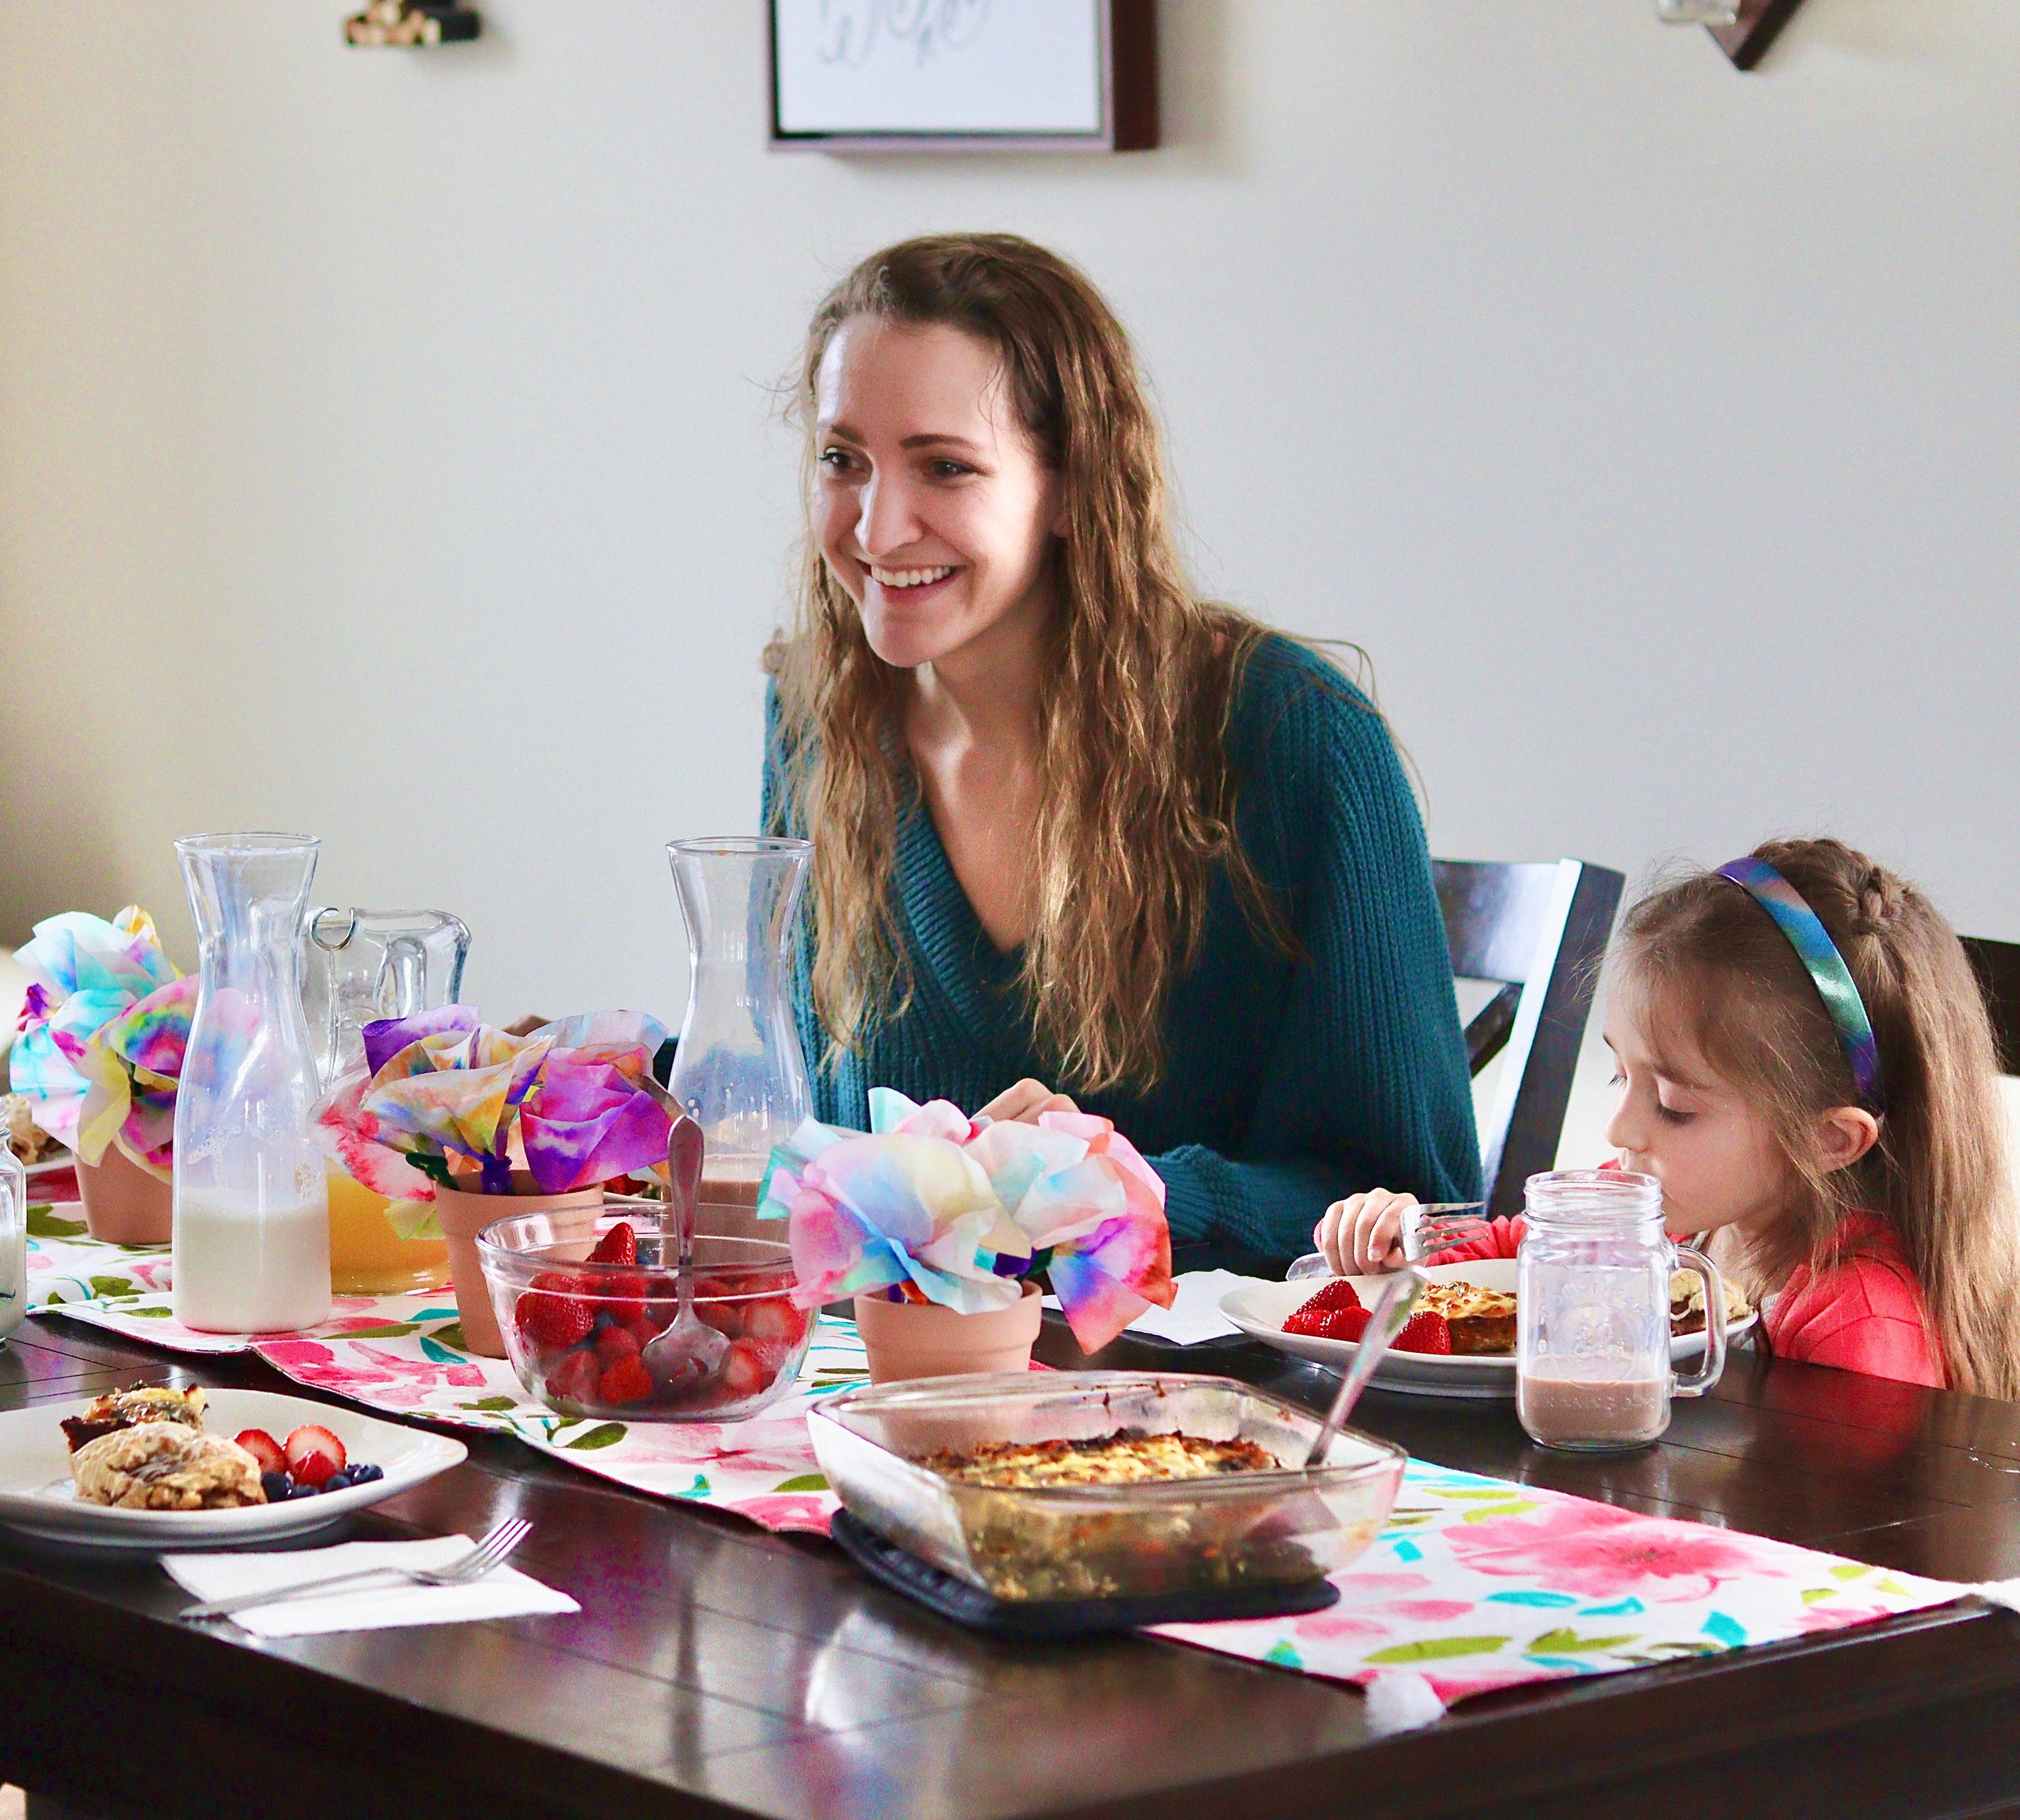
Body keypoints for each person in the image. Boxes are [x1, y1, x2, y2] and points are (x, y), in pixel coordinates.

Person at [761, 233, 1478, 1273]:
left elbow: (1424, 1211)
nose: (875, 527)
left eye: (946, 468)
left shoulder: (1292, 741)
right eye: (842, 460)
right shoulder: (817, 721)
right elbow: (814, 1136)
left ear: (1068, 486)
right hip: (879, 1391)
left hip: (1209, 1413)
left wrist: (1130, 1194)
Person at [1317, 839, 2020, 1395]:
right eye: (1623, 1073)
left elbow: (1840, 1538)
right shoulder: (1674, 1209)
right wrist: (1410, 1250)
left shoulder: (1860, 1320)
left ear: (1829, 1137)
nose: (1621, 1129)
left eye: (1675, 1106)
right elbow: (1512, 1252)